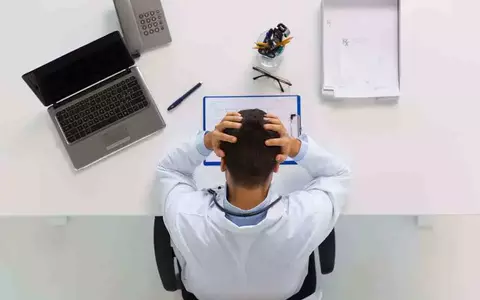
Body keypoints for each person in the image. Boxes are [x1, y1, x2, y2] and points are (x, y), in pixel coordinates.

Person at [157, 109, 350, 300]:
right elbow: (337, 175)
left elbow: (170, 169)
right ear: (277, 165)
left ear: (222, 163)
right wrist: (294, 146)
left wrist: (207, 141)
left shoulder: (186, 215)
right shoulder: (306, 217)